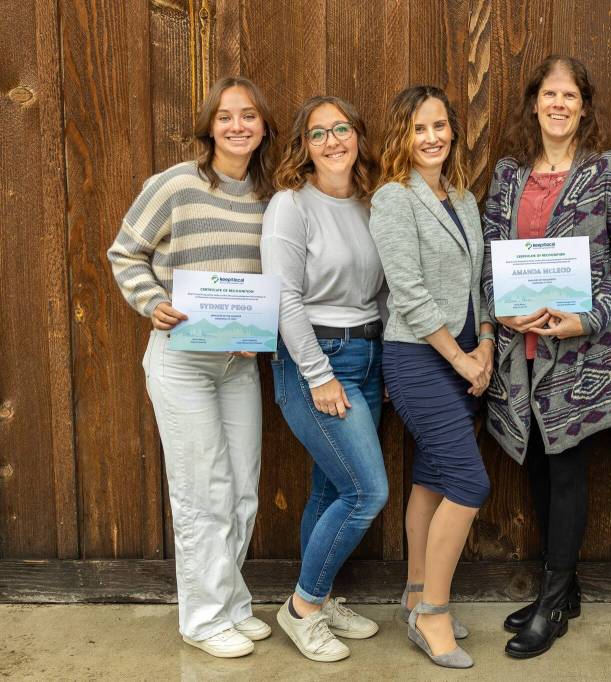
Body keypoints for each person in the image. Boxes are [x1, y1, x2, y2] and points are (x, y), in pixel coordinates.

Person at [481, 55, 611, 659]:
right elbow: (490, 249)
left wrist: (593, 316)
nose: (558, 104)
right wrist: (499, 307)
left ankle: (552, 604)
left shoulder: (609, 171)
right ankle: (564, 588)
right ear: (534, 103)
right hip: (519, 345)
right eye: (549, 93)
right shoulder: (508, 174)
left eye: (569, 95)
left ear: (583, 105)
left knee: (568, 467)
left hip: (579, 351)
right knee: (535, 463)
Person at [107, 76, 278, 658]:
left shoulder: (268, 194)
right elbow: (125, 251)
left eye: (249, 116)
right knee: (203, 490)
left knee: (242, 490)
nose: (237, 126)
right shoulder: (176, 184)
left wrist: (264, 328)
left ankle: (231, 601)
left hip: (237, 362)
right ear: (209, 126)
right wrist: (151, 301)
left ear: (262, 126)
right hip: (181, 361)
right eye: (226, 117)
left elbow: (270, 278)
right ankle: (203, 620)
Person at [368, 85, 494, 670]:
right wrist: (461, 357)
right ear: (403, 136)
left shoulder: (463, 197)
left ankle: (416, 590)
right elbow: (410, 293)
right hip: (419, 358)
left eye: (440, 125)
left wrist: (487, 342)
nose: (432, 138)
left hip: (469, 354)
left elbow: (478, 283)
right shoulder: (394, 199)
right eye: (420, 128)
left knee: (433, 479)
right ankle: (433, 614)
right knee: (469, 482)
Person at [261, 96, 387, 662]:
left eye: (342, 128)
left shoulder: (369, 202)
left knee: (332, 488)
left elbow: (381, 289)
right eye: (318, 133)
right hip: (317, 359)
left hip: (367, 355)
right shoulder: (292, 205)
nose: (333, 140)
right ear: (304, 146)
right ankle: (303, 607)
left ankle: (324, 593)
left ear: (357, 136)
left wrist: (384, 363)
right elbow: (285, 297)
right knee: (367, 492)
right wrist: (318, 375)